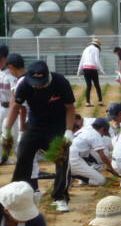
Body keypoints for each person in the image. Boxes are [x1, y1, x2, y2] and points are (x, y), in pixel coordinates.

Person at [3, 60, 75, 212]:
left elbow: (70, 107)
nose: (38, 86)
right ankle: (18, 195)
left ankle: (60, 197)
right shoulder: (25, 85)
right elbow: (16, 106)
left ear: (47, 76)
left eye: (41, 82)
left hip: (57, 127)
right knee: (22, 155)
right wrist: (6, 129)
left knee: (61, 158)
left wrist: (68, 131)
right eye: (35, 83)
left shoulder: (61, 82)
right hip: (35, 126)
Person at [70, 118, 114, 186]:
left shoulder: (86, 129)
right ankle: (74, 175)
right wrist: (113, 169)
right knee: (100, 181)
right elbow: (103, 157)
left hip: (69, 155)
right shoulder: (95, 134)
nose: (103, 135)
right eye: (104, 133)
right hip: (74, 158)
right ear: (102, 129)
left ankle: (71, 173)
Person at [77, 38, 105, 107]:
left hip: (85, 69)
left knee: (88, 86)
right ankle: (100, 101)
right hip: (93, 69)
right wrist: (101, 69)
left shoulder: (85, 49)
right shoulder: (96, 49)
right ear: (97, 45)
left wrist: (78, 70)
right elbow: (96, 60)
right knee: (97, 85)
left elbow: (82, 60)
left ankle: (87, 102)